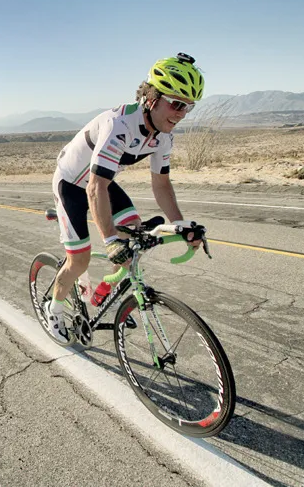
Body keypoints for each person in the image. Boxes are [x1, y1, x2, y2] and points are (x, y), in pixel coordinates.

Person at [44, 52, 205, 344]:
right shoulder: (119, 124)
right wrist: (109, 240)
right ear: (153, 98)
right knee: (79, 260)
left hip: (102, 183)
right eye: (177, 103)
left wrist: (180, 224)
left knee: (133, 242)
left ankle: (101, 296)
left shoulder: (164, 136)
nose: (182, 113)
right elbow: (94, 188)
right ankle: (53, 307)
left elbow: (162, 186)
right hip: (72, 185)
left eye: (188, 107)